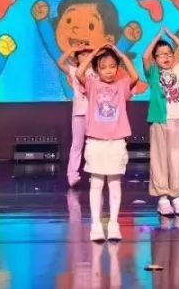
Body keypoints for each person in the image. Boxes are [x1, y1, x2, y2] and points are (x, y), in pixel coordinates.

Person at [75, 45, 147, 241]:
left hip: (116, 141)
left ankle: (114, 224)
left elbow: (135, 77)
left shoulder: (122, 85)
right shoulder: (92, 85)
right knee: (96, 184)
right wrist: (94, 53)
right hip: (96, 142)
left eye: (113, 66)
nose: (108, 70)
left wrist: (121, 54)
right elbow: (80, 73)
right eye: (104, 67)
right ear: (97, 69)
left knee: (115, 184)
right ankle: (96, 225)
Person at [143, 29, 179, 216]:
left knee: (177, 160)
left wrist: (172, 37)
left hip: (178, 120)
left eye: (169, 54)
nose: (166, 57)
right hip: (159, 120)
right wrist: (158, 36)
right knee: (159, 160)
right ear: (155, 58)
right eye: (161, 54)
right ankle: (163, 199)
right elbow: (145, 56)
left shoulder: (178, 70)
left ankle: (177, 196)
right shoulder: (153, 73)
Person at [54, 43, 94, 187]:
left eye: (88, 53)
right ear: (77, 58)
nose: (86, 56)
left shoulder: (96, 71)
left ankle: (95, 174)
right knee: (77, 144)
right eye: (82, 54)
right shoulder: (73, 70)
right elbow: (60, 62)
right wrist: (72, 49)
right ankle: (72, 175)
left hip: (93, 112)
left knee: (93, 144)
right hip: (78, 112)